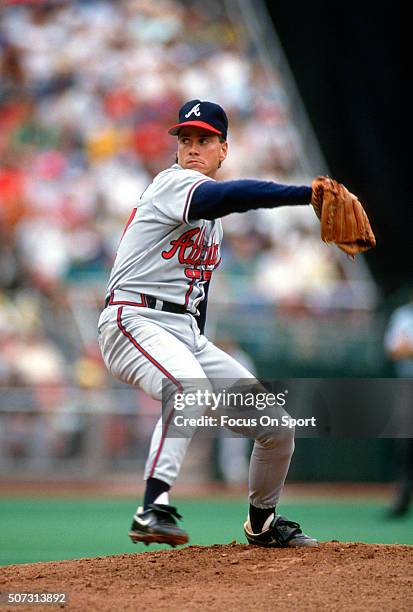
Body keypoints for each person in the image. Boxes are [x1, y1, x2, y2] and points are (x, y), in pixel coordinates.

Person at [98, 99, 319, 548]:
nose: (192, 148)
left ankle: (263, 522)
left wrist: (196, 342)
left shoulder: (209, 224)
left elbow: (196, 298)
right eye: (185, 140)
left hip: (183, 332)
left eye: (204, 140)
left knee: (276, 427)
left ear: (224, 149)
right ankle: (152, 507)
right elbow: (229, 196)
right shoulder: (173, 184)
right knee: (188, 388)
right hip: (132, 318)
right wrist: (303, 194)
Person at [384, 288, 413, 517]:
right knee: (405, 445)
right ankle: (402, 498)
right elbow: (395, 349)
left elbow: (405, 348)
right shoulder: (403, 315)